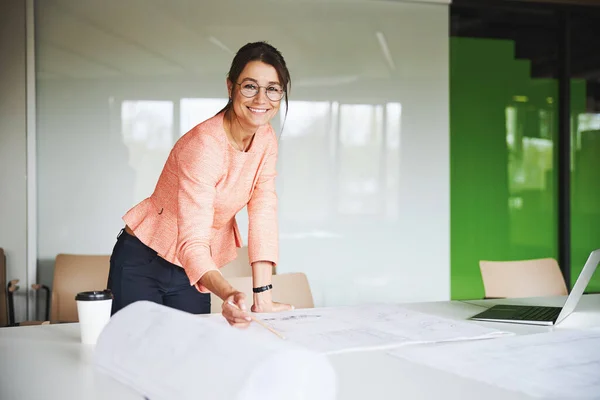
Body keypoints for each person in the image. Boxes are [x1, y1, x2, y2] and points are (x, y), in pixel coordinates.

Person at [107, 41, 293, 328]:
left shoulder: (265, 138)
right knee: (138, 356)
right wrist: (228, 292)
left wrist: (262, 295)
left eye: (272, 88)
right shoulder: (204, 146)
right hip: (143, 261)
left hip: (193, 268)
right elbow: (192, 238)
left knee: (192, 354)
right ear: (230, 87)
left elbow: (264, 211)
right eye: (250, 86)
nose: (261, 99)